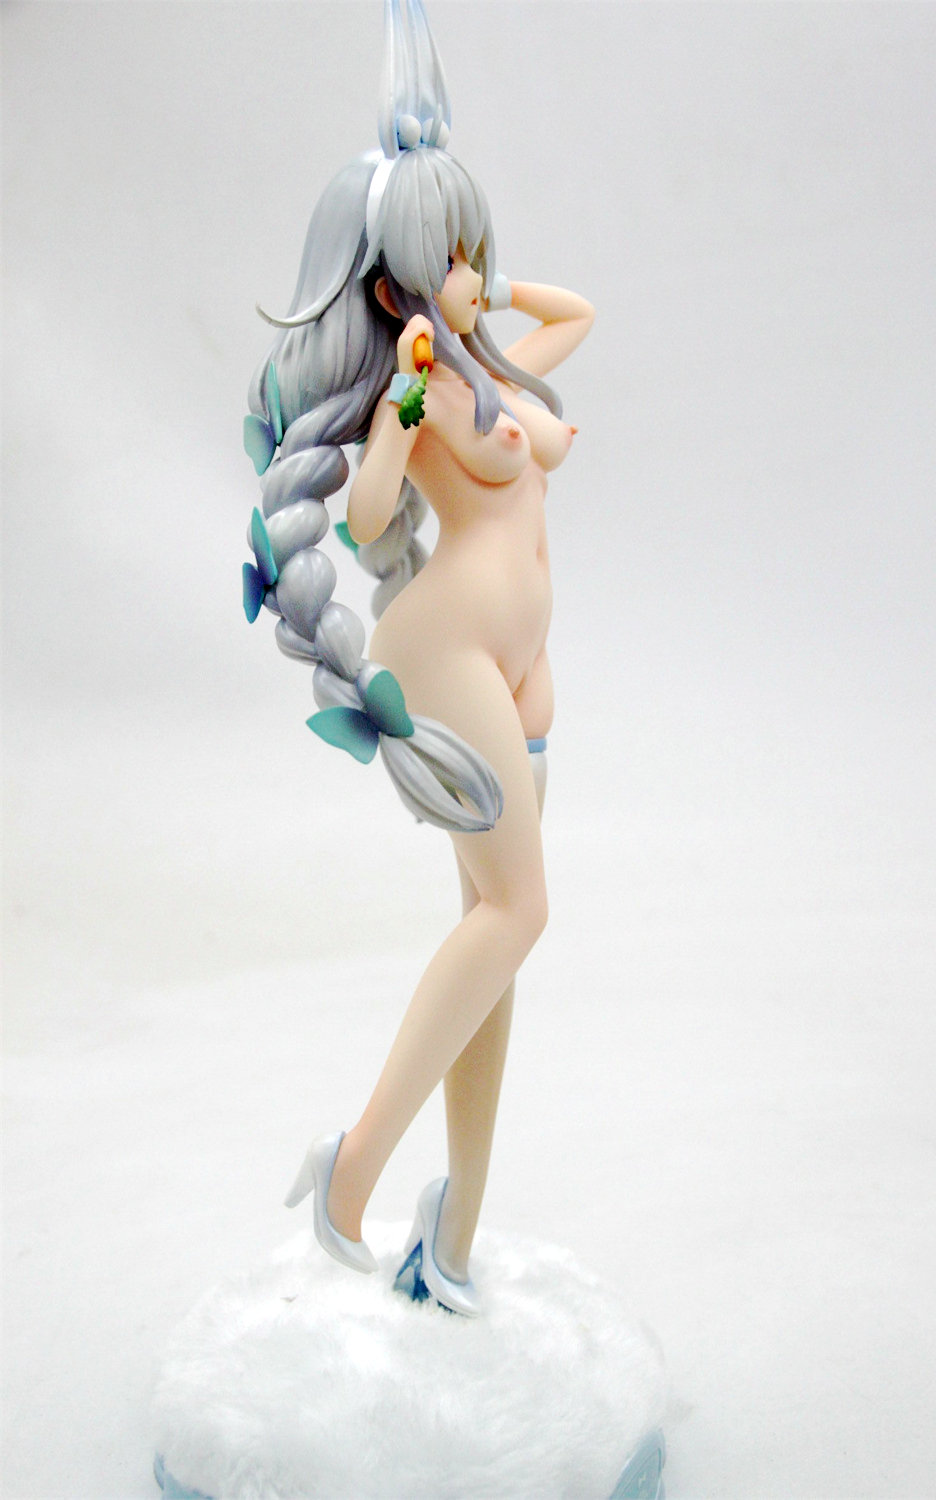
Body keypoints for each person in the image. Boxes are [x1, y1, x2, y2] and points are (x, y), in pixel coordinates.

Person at [245, 0, 593, 1316]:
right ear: (394, 284)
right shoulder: (424, 391)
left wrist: (483, 286)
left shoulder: (487, 371)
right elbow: (372, 518)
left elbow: (578, 314)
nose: (471, 274)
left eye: (473, 247)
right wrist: (401, 382)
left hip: (522, 664)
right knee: (519, 913)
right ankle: (352, 1170)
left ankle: (451, 1240)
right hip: (445, 650)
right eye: (446, 255)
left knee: (489, 931)